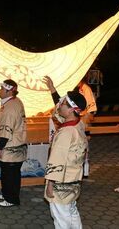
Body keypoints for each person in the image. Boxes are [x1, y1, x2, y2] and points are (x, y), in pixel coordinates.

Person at [42, 76, 88, 228]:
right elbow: (61, 112)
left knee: (61, 217)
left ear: (71, 109)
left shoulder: (67, 132)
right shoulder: (78, 124)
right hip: (73, 179)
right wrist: (52, 89)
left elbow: (57, 159)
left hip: (62, 181)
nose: (59, 105)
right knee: (71, 210)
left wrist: (50, 183)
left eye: (63, 103)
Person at [0, 79, 27, 207]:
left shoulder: (10, 108)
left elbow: (6, 129)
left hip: (10, 146)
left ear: (9, 91)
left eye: (2, 89)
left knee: (10, 174)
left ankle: (11, 198)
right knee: (11, 173)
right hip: (15, 145)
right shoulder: (14, 102)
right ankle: (8, 193)